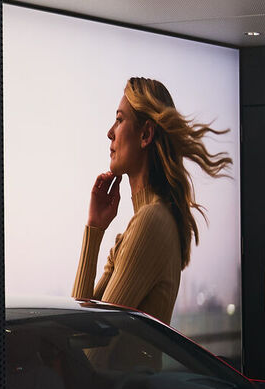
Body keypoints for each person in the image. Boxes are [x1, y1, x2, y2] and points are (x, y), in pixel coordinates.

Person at [71, 77, 231, 324]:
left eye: (119, 119)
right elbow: (77, 326)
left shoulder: (151, 222)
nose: (110, 132)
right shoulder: (147, 221)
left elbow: (88, 344)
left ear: (145, 134)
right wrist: (94, 228)